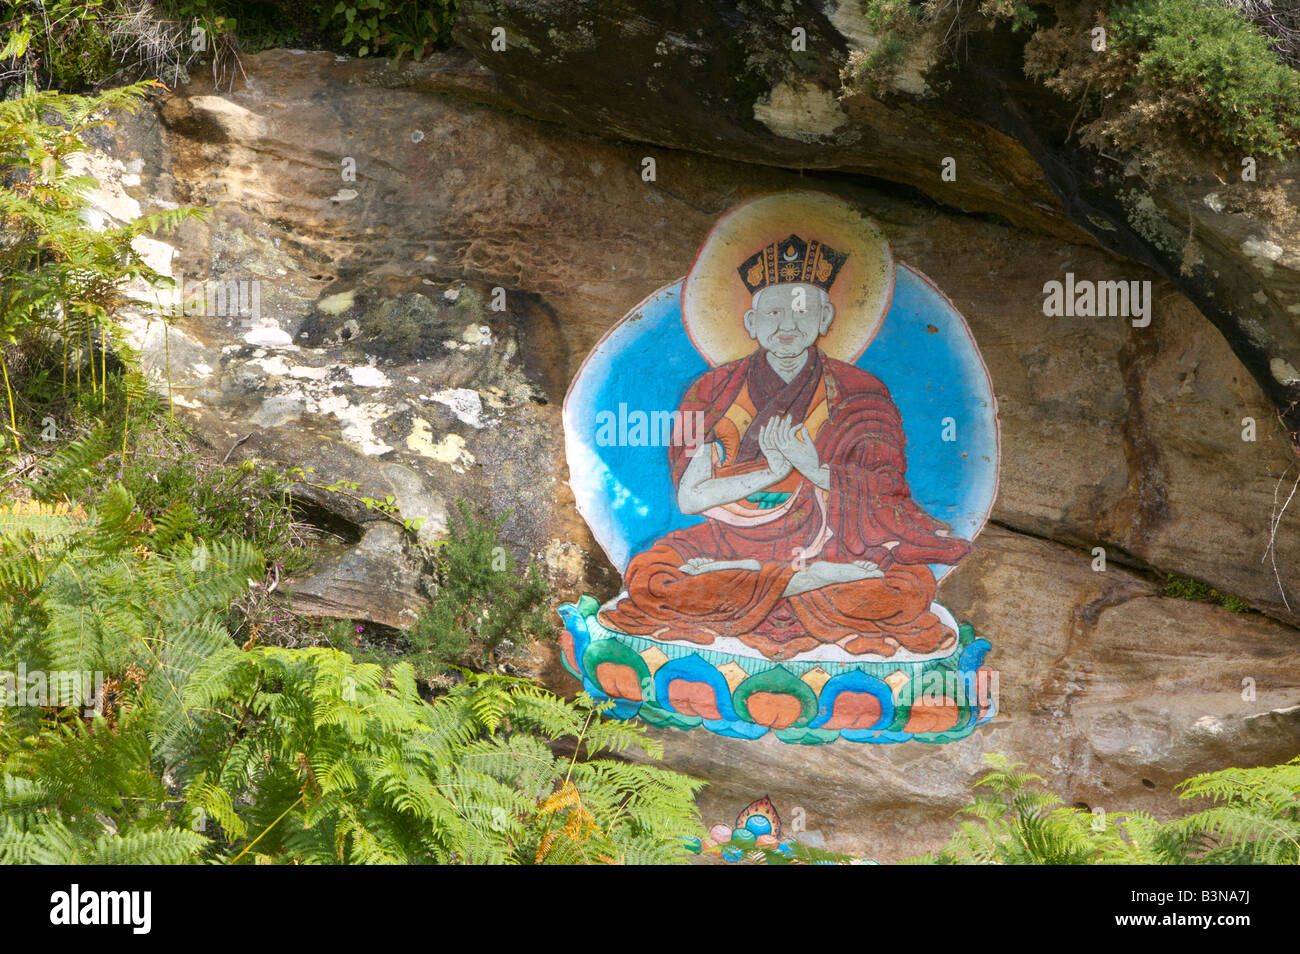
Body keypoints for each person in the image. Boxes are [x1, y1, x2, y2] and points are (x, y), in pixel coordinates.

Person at [598, 233, 972, 660]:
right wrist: (770, 474)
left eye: (801, 310)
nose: (787, 325)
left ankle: (764, 578)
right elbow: (688, 499)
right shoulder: (713, 392)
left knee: (904, 591)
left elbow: (883, 493)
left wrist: (811, 468)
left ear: (826, 318)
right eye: (773, 312)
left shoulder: (859, 392)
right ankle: (800, 580)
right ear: (751, 323)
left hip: (831, 544)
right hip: (732, 541)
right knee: (651, 577)